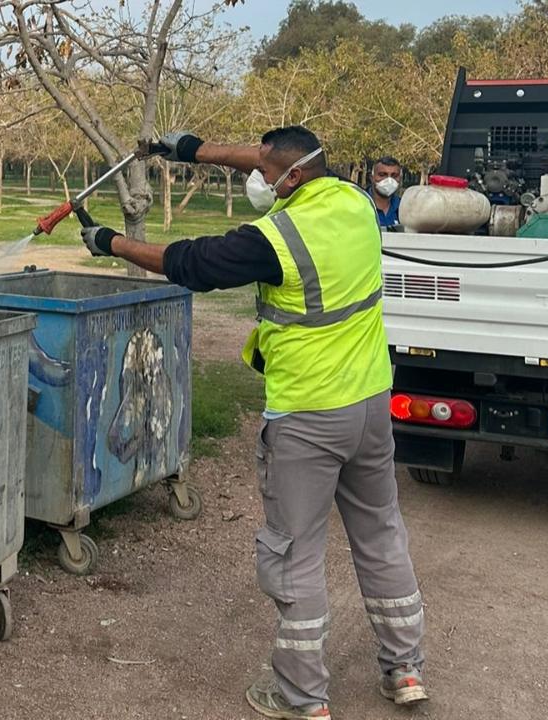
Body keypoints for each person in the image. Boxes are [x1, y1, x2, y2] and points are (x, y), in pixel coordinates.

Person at [80, 127, 426, 720]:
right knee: (381, 536)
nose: (258, 178)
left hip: (308, 416)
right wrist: (188, 150)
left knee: (295, 554)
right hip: (370, 404)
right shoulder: (355, 201)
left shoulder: (275, 239)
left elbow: (188, 262)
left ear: (293, 177)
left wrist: (111, 241)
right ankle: (406, 669)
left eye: (266, 173)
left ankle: (302, 696)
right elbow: (269, 156)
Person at [369, 156, 403, 228]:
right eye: (382, 175)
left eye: (394, 176)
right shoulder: (360, 205)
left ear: (400, 178)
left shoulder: (404, 208)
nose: (389, 180)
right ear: (372, 177)